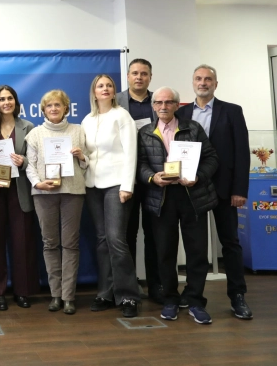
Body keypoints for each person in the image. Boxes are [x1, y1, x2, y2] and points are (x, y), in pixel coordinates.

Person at [176, 65, 253, 319]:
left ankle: (238, 295)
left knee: (230, 243)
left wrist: (239, 189)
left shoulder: (232, 111)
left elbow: (241, 152)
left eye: (208, 79)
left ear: (216, 84)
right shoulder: (181, 113)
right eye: (198, 78)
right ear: (193, 82)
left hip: (225, 189)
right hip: (192, 188)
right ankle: (193, 294)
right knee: (196, 247)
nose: (203, 82)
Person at [137, 86, 219, 324]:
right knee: (165, 252)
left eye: (168, 102)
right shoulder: (145, 132)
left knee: (197, 252)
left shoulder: (193, 128)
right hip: (161, 198)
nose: (163, 106)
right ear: (153, 106)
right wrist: (153, 177)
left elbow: (211, 158)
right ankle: (170, 299)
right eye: (159, 102)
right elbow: (140, 164)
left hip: (192, 196)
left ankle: (195, 300)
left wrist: (198, 177)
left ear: (177, 105)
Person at [82, 74, 140, 317]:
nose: (105, 89)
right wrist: (80, 157)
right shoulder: (87, 120)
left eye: (109, 85)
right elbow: (89, 156)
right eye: (100, 86)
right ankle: (105, 293)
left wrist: (127, 186)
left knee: (116, 239)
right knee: (102, 239)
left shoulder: (122, 116)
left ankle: (128, 296)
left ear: (114, 91)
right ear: (94, 92)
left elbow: (131, 153)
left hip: (117, 184)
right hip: (93, 185)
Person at [25, 89, 87, 315]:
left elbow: (87, 164)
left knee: (70, 244)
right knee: (50, 244)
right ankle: (55, 295)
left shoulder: (78, 131)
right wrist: (37, 184)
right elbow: (30, 166)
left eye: (57, 105)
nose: (53, 109)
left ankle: (69, 297)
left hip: (73, 192)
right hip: (44, 194)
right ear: (43, 109)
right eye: (49, 105)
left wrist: (81, 157)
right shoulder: (35, 134)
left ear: (65, 108)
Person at [0, 85, 40, 311]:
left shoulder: (28, 127)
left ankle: (23, 291)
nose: (6, 102)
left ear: (16, 101)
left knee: (23, 242)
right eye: (2, 99)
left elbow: (35, 159)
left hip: (19, 191)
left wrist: (23, 161)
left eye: (10, 98)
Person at [116, 58, 161, 303]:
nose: (139, 77)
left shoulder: (160, 101)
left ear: (150, 77)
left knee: (154, 234)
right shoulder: (116, 102)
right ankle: (130, 288)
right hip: (126, 178)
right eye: (135, 73)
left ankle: (156, 287)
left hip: (154, 177)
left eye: (144, 73)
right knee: (127, 234)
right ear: (128, 76)